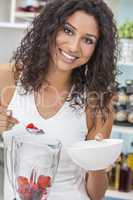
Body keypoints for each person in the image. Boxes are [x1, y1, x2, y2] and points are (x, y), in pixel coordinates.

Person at [0, 0, 118, 199]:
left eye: (88, 40)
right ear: (50, 28)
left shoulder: (97, 102)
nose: (73, 47)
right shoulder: (7, 78)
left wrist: (98, 163)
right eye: (68, 30)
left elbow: (96, 195)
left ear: (98, 49)